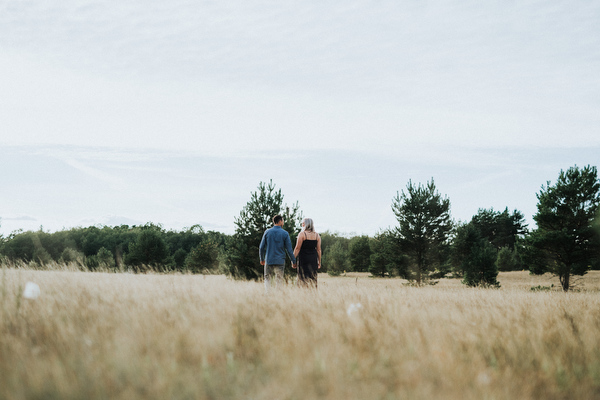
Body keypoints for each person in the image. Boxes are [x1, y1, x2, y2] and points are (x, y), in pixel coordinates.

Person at [259, 214, 297, 293]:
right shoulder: (285, 233)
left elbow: (261, 247)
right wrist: (293, 261)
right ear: (280, 221)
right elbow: (289, 249)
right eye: (283, 221)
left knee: (267, 278)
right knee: (279, 279)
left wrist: (261, 259)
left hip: (269, 260)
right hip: (280, 261)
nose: (283, 222)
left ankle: (267, 294)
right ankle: (278, 296)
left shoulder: (267, 232)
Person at [293, 217, 321, 288]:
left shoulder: (302, 234)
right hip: (313, 259)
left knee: (302, 277)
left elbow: (297, 248)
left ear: (305, 225)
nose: (302, 224)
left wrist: (293, 260)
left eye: (303, 223)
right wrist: (319, 262)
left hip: (304, 259)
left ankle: (302, 294)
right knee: (313, 277)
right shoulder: (317, 235)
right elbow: (319, 250)